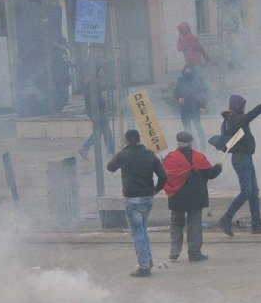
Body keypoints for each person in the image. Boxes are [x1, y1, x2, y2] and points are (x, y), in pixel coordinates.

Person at [107, 130, 167, 277]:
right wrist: (156, 189)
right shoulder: (149, 154)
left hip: (133, 200)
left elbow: (110, 167)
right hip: (147, 198)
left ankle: (144, 266)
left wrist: (121, 153)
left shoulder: (123, 155)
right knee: (143, 230)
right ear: (139, 139)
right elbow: (163, 175)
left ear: (126, 140)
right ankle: (148, 260)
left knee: (138, 233)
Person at [217, 94, 261, 237]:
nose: (243, 107)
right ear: (237, 106)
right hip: (241, 158)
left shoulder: (233, 118)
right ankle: (226, 219)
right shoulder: (233, 119)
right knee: (246, 192)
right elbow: (248, 117)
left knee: (253, 192)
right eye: (242, 105)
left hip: (245, 157)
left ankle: (257, 224)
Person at [163, 131, 222, 262]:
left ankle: (174, 251)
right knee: (194, 225)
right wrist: (219, 167)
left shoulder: (171, 158)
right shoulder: (199, 157)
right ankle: (194, 253)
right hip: (196, 197)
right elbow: (211, 173)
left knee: (176, 223)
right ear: (191, 143)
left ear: (178, 142)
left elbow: (165, 175)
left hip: (177, 196)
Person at [77, 68, 115, 160]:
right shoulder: (94, 83)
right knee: (104, 130)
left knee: (101, 130)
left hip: (92, 111)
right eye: (101, 70)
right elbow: (95, 99)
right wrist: (104, 103)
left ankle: (86, 148)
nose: (102, 72)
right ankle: (110, 152)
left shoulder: (89, 82)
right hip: (96, 111)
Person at [173, 65, 209, 151]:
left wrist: (203, 106)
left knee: (198, 128)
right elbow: (175, 92)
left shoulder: (197, 81)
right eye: (186, 70)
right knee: (187, 129)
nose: (188, 72)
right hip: (184, 109)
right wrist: (179, 98)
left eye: (189, 70)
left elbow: (203, 94)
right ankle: (193, 147)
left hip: (195, 108)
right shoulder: (180, 80)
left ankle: (203, 147)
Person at [51, 37, 72, 112]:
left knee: (60, 95)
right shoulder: (62, 51)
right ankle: (57, 109)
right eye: (66, 42)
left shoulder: (54, 50)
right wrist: (70, 63)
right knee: (65, 96)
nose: (68, 44)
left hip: (58, 77)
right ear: (63, 43)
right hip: (62, 77)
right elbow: (63, 63)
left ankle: (57, 109)